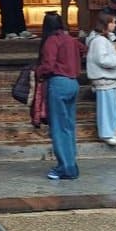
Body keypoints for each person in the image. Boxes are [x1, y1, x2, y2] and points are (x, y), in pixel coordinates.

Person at [34, 12, 82, 180]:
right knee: (69, 126)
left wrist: (37, 72)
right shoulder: (70, 39)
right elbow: (84, 49)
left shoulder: (51, 41)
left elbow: (48, 65)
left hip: (59, 84)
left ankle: (65, 167)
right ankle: (71, 164)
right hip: (73, 83)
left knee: (59, 127)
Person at [86, 11, 116, 146]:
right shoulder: (99, 40)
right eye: (113, 22)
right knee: (106, 107)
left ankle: (111, 132)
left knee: (112, 107)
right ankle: (106, 133)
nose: (115, 24)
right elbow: (102, 60)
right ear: (106, 24)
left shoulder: (104, 39)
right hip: (103, 78)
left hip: (109, 80)